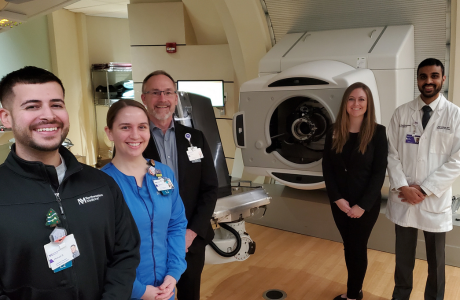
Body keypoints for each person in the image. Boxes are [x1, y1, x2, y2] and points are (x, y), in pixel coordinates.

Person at [0, 66, 141, 300]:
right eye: (32, 106)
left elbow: (125, 254)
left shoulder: (101, 184)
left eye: (56, 104)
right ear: (6, 117)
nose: (48, 115)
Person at [386, 58, 460, 300]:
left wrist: (426, 188)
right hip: (404, 197)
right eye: (423, 76)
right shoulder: (401, 113)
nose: (428, 81)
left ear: (443, 79)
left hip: (434, 200)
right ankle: (401, 295)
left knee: (437, 261)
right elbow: (391, 154)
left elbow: (457, 160)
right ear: (417, 79)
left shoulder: (455, 115)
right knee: (403, 257)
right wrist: (404, 187)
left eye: (434, 76)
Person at [141, 70, 218, 300]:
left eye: (167, 92)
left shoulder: (195, 138)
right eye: (155, 93)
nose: (162, 99)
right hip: (152, 244)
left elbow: (209, 189)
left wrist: (191, 232)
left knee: (189, 294)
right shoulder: (134, 140)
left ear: (175, 98)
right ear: (144, 99)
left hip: (190, 241)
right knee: (157, 296)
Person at [101, 100, 187, 300]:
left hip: (166, 291)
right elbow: (98, 251)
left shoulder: (163, 173)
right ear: (109, 133)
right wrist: (139, 290)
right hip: (124, 293)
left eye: (142, 127)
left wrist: (173, 274)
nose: (135, 135)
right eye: (125, 127)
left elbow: (176, 225)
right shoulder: (100, 185)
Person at [322, 82, 388, 300]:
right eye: (351, 99)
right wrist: (337, 198)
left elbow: (379, 173)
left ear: (368, 104)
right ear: (345, 103)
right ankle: (356, 290)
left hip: (365, 204)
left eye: (361, 99)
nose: (356, 103)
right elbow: (327, 168)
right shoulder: (333, 130)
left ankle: (352, 295)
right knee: (349, 246)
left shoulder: (378, 133)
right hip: (340, 202)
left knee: (357, 247)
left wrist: (362, 206)